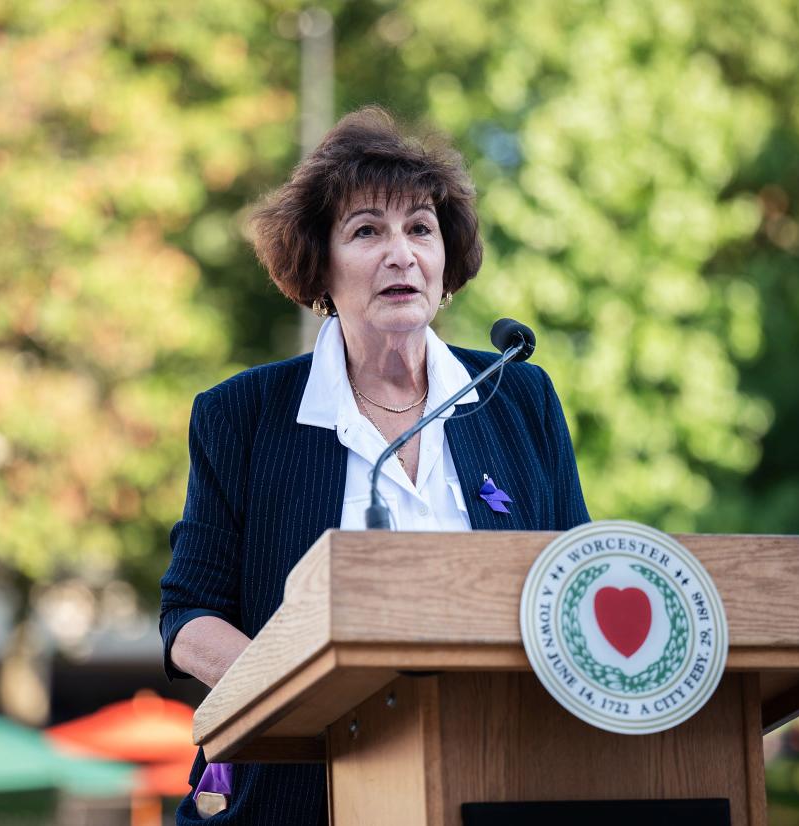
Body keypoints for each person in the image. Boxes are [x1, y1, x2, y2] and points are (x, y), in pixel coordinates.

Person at [160, 106, 590, 825]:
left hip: (501, 779)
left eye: (419, 228)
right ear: (319, 266)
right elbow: (189, 618)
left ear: (446, 258)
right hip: (299, 791)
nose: (401, 253)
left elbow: (578, 584)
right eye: (366, 231)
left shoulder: (518, 396)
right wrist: (314, 697)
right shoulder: (243, 415)